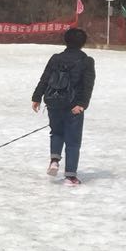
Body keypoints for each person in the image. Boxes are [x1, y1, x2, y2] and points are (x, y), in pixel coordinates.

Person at [31, 27, 96, 186]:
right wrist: (82, 104)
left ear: (66, 41)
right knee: (73, 140)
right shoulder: (87, 61)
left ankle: (54, 161)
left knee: (56, 132)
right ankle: (70, 177)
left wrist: (36, 97)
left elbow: (45, 79)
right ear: (83, 42)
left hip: (53, 102)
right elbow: (88, 85)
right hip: (73, 106)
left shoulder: (55, 58)